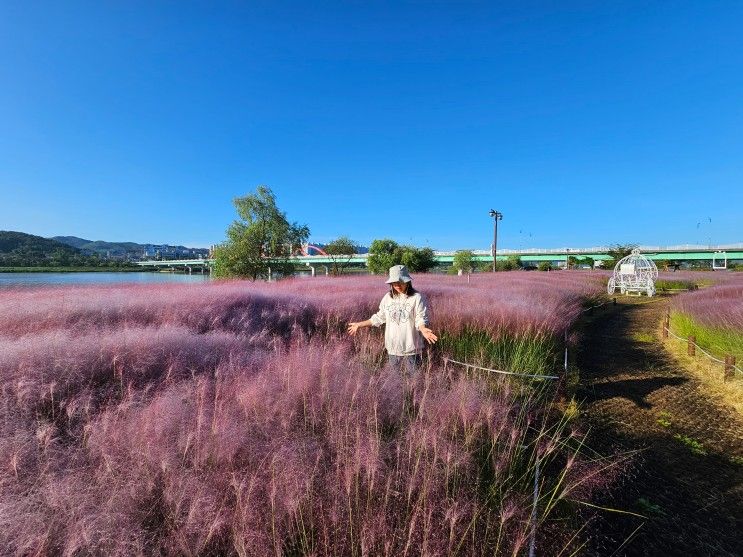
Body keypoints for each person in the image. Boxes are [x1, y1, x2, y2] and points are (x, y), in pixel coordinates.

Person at [347, 264, 438, 375]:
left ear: (407, 282)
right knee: (394, 381)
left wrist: (423, 329)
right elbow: (379, 317)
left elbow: (420, 317)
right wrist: (359, 324)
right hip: (393, 347)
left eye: (401, 282)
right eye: (394, 283)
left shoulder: (417, 297)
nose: (398, 285)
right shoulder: (388, 298)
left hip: (411, 347)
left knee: (415, 380)